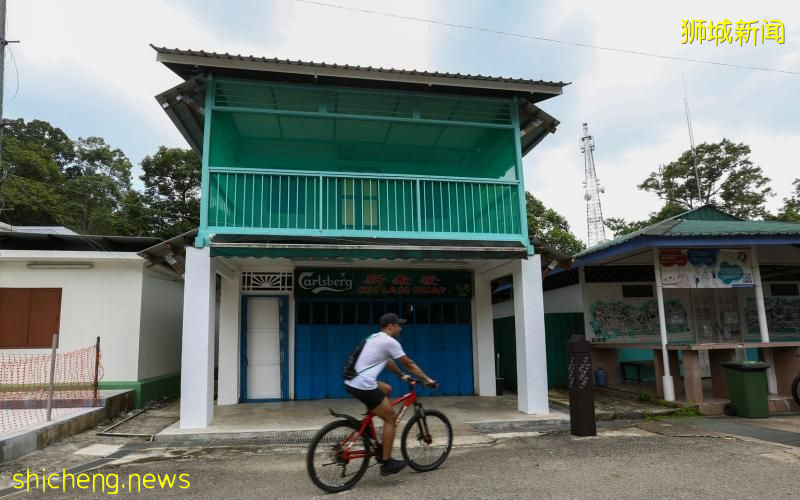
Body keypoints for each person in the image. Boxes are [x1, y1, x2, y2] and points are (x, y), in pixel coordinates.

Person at [344, 312, 437, 476]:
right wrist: (427, 380)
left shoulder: (375, 337)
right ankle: (386, 463)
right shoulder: (390, 341)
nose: (400, 328)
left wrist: (401, 376)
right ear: (390, 326)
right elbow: (409, 364)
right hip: (363, 384)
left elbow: (386, 360)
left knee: (387, 389)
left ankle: (369, 426)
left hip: (352, 381)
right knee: (390, 419)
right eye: (398, 325)